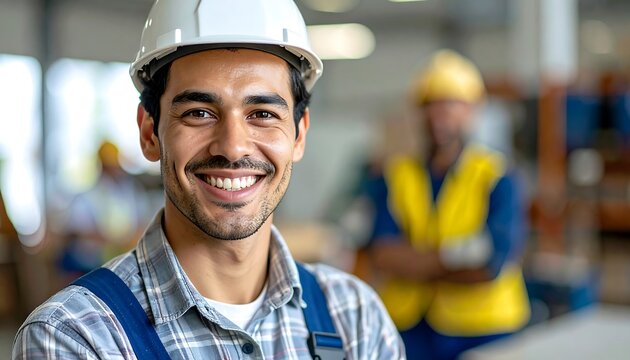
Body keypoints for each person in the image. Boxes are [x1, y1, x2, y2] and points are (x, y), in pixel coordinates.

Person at [12, 0, 404, 359]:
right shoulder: (77, 335)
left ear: (299, 134)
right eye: (199, 112)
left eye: (263, 114)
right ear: (150, 132)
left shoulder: (355, 318)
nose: (233, 148)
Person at [364, 50, 530, 360]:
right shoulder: (395, 175)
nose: (440, 115)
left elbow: (491, 263)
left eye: (452, 104)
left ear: (472, 111)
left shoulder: (497, 175)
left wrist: (414, 263)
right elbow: (383, 255)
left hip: (485, 328)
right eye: (431, 104)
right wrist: (455, 257)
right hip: (411, 327)